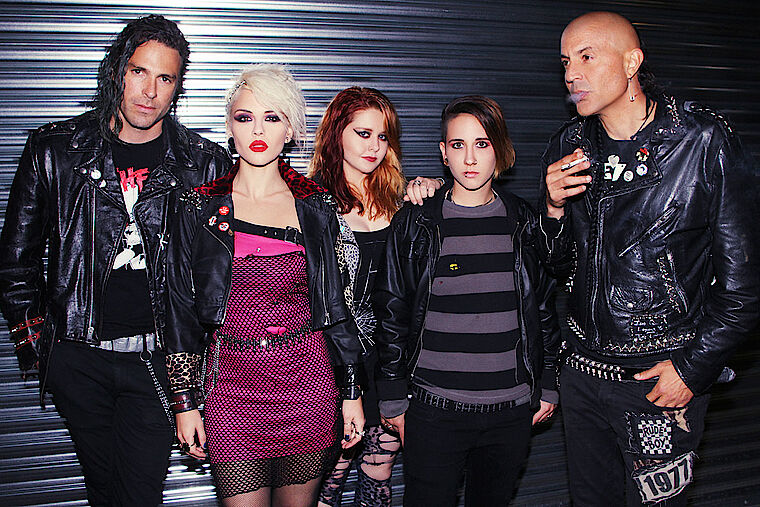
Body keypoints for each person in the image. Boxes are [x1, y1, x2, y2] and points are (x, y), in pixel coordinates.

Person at [0, 14, 231, 506]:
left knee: (139, 494)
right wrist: (44, 353)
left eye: (165, 78)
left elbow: (225, 269)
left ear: (178, 87)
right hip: (79, 359)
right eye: (138, 72)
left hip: (158, 360)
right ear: (116, 72)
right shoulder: (56, 150)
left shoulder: (203, 163)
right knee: (103, 490)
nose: (149, 91)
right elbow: (16, 262)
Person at [539, 11, 759, 506]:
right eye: (566, 61)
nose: (572, 74)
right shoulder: (569, 144)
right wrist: (551, 209)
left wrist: (692, 368)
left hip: (659, 377)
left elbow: (743, 286)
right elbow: (555, 266)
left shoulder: (700, 140)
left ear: (632, 62)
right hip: (582, 375)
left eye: (587, 57)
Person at [164, 63, 365, 507]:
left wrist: (352, 391)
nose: (258, 130)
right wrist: (184, 401)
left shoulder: (315, 206)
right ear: (229, 126)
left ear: (289, 129)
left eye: (272, 117)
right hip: (230, 392)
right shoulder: (198, 208)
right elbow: (178, 309)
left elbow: (336, 306)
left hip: (308, 386)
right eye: (245, 117)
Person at [375, 95, 560, 507]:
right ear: (443, 153)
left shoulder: (524, 221)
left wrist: (548, 382)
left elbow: (542, 308)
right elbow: (392, 310)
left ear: (500, 149)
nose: (470, 158)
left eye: (482, 143)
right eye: (458, 145)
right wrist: (392, 392)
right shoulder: (417, 221)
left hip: (510, 411)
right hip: (434, 411)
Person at [309, 87, 406, 507]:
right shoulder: (311, 204)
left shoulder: (400, 202)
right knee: (328, 478)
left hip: (391, 360)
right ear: (337, 134)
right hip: (335, 361)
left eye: (382, 137)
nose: (374, 147)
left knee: (379, 469)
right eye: (363, 134)